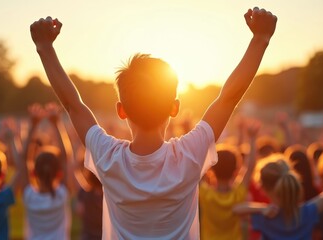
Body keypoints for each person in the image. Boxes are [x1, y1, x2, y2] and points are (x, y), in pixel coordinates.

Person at [30, 7, 277, 239]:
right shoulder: (189, 155)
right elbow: (228, 99)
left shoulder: (108, 157)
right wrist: (260, 40)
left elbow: (73, 105)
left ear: (121, 111)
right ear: (175, 107)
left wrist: (45, 48)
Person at [233, 154, 323, 239]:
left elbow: (236, 209)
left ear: (263, 188)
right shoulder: (306, 213)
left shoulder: (265, 217)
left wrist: (262, 209)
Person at [199, 119, 260, 240]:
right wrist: (252, 139)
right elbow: (251, 166)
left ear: (211, 170)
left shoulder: (205, 194)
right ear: (236, 170)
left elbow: (197, 164)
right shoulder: (238, 194)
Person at [19, 103, 73, 240]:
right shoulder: (62, 195)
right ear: (59, 173)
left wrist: (32, 126)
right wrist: (57, 124)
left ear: (33, 173)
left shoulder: (29, 196)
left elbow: (23, 159)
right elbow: (66, 158)